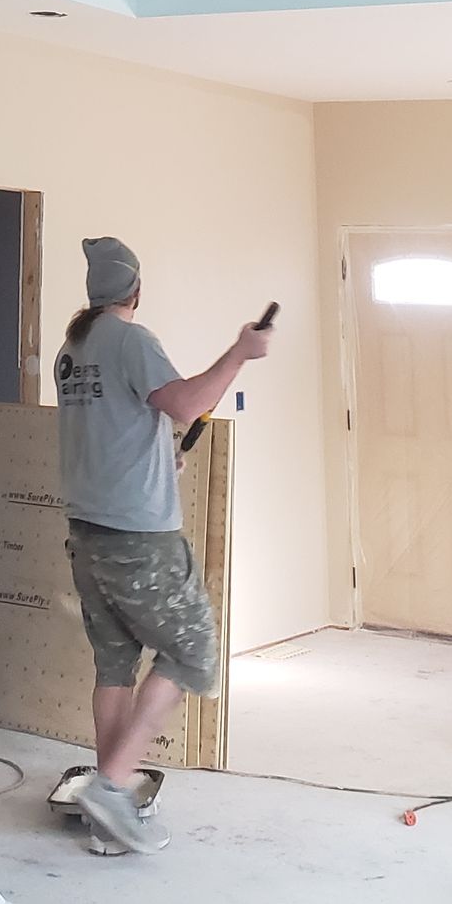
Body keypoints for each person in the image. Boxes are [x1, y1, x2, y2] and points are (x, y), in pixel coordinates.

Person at [55, 235, 275, 858]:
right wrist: (241, 351)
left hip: (88, 534)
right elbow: (186, 404)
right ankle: (112, 787)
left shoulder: (73, 351)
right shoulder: (132, 339)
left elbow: (114, 431)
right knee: (192, 648)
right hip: (137, 539)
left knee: (115, 663)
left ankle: (107, 820)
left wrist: (159, 461)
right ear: (136, 290)